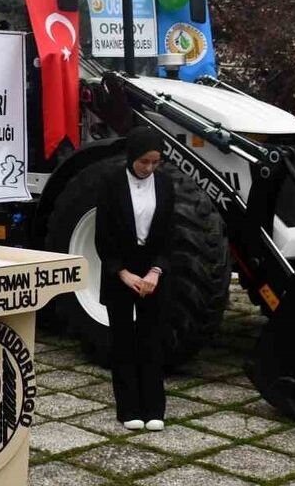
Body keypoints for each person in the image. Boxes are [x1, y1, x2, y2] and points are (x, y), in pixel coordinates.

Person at [93, 126, 175, 431]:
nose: (150, 168)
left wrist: (155, 271)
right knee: (123, 340)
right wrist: (123, 274)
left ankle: (155, 408)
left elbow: (169, 232)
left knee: (152, 339)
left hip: (154, 270)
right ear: (132, 158)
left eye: (156, 162)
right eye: (144, 162)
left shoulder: (165, 184)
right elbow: (102, 235)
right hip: (120, 269)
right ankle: (128, 408)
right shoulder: (111, 182)